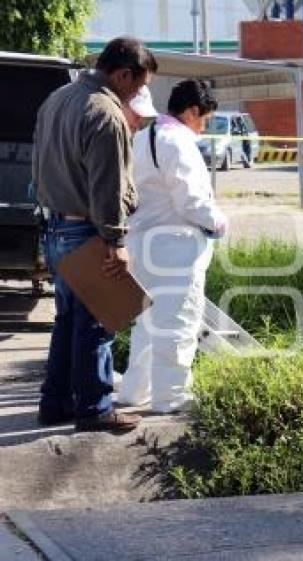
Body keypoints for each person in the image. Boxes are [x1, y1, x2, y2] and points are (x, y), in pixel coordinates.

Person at [33, 36, 157, 433]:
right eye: (137, 86)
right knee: (97, 321)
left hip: (54, 227)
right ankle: (94, 408)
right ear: (122, 74)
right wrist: (116, 241)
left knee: (68, 320)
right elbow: (108, 186)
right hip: (87, 229)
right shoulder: (105, 111)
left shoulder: (57, 98)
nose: (137, 94)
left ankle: (55, 403)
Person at [117, 79, 227, 413]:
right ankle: (172, 397)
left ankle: (136, 391)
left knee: (148, 324)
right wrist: (220, 222)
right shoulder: (178, 141)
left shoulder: (142, 137)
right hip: (176, 249)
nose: (202, 127)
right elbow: (192, 201)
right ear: (192, 111)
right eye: (204, 119)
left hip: (142, 245)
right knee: (178, 322)